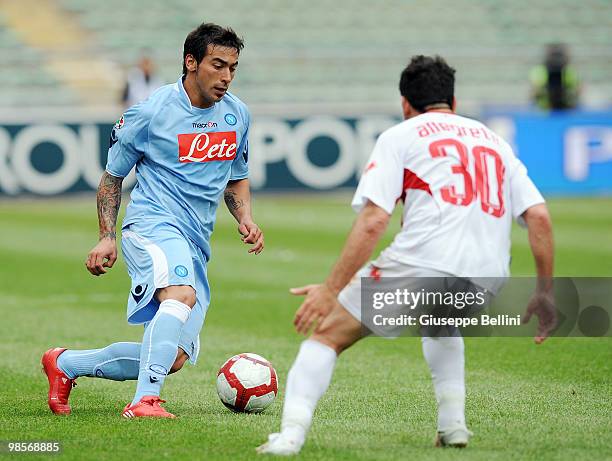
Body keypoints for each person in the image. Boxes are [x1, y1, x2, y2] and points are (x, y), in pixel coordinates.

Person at [257, 55, 555, 454]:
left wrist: (332, 289)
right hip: (489, 275)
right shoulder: (494, 141)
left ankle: (289, 437)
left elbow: (373, 221)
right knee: (441, 322)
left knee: (326, 335)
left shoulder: (401, 135)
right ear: (453, 98)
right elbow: (538, 216)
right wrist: (545, 292)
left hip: (422, 263)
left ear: (404, 103)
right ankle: (453, 426)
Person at [42, 23, 264, 419]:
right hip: (152, 225)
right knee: (179, 296)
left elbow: (236, 177)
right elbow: (112, 177)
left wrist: (245, 216)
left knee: (173, 356)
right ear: (191, 62)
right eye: (218, 65)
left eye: (233, 67)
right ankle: (144, 401)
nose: (227, 76)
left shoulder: (237, 114)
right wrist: (106, 237)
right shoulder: (149, 112)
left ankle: (66, 364)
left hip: (196, 240)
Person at [530, 43, 579, 110]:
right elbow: (535, 92)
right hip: (546, 109)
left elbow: (534, 92)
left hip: (558, 109)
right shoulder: (540, 71)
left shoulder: (569, 71)